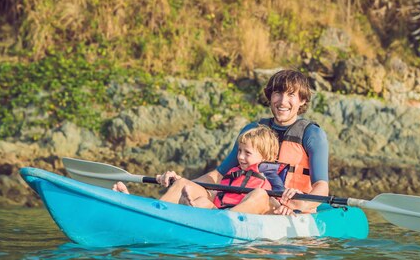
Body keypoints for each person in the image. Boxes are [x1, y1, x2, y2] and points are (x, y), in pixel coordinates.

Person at [115, 69, 329, 215]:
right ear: (270, 96)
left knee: (260, 194)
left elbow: (321, 186)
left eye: (291, 95)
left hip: (284, 209)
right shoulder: (252, 132)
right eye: (278, 93)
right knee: (183, 185)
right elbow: (219, 175)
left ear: (301, 101)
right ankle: (148, 213)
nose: (283, 101)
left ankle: (217, 223)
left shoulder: (311, 135)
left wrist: (299, 201)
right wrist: (184, 182)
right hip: (236, 205)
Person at [178, 125, 281, 213]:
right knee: (203, 201)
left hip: (241, 217)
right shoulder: (234, 173)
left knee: (260, 193)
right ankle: (188, 210)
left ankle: (225, 218)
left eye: (247, 153)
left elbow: (272, 202)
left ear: (264, 157)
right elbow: (219, 194)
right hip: (220, 213)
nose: (240, 156)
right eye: (240, 151)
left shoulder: (268, 176)